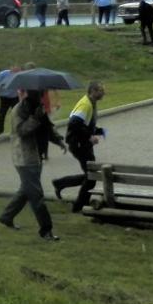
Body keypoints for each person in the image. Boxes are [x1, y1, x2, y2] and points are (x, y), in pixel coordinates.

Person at [0, 90, 67, 240]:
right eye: (38, 93)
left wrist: (59, 140)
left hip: (36, 156)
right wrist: (35, 117)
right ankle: (46, 230)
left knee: (26, 190)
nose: (41, 96)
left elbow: (47, 127)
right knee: (36, 196)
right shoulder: (19, 109)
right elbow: (21, 131)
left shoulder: (39, 106)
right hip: (24, 158)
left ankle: (6, 216)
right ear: (30, 93)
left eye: (41, 93)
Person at [52, 81, 106, 213]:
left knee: (91, 175)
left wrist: (97, 131)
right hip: (78, 144)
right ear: (93, 91)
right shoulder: (85, 104)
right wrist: (89, 136)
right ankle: (79, 206)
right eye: (101, 90)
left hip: (82, 143)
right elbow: (75, 124)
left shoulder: (91, 102)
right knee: (92, 176)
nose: (103, 92)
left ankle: (61, 183)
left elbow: (84, 124)